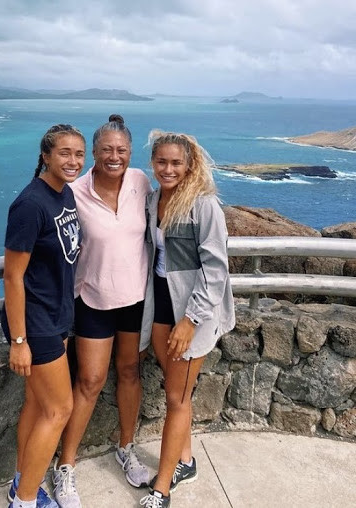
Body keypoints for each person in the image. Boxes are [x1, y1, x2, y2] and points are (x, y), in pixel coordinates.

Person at [52, 115, 152, 508]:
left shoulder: (141, 182)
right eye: (107, 150)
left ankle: (126, 447)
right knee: (90, 381)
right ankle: (66, 466)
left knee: (129, 372)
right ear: (94, 153)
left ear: (130, 153)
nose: (115, 156)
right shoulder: (74, 192)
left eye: (122, 150)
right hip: (92, 298)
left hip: (136, 298)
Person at [138, 130, 235, 508]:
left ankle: (162, 488)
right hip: (162, 301)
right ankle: (187, 461)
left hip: (193, 311)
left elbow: (216, 270)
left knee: (176, 398)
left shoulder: (203, 205)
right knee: (177, 388)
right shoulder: (152, 200)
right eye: (161, 161)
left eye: (176, 162)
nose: (168, 168)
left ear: (189, 164)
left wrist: (190, 320)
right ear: (153, 163)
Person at [1, 124, 86, 508]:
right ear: (46, 156)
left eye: (79, 154)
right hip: (36, 324)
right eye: (65, 153)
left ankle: (22, 481)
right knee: (60, 409)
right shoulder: (30, 204)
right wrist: (19, 342)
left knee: (37, 406)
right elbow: (12, 275)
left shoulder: (63, 194)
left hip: (57, 316)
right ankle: (25, 500)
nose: (73, 161)